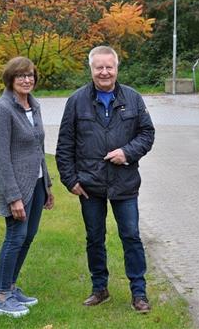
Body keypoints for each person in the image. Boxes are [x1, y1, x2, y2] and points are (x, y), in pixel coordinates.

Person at [56, 45, 155, 313]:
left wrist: (127, 152)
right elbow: (64, 145)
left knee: (131, 236)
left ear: (116, 68)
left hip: (124, 183)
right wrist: (70, 179)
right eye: (99, 67)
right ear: (91, 69)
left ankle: (139, 292)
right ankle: (100, 288)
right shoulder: (76, 101)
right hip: (90, 186)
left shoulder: (133, 99)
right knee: (94, 238)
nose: (104, 72)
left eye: (109, 67)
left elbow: (147, 134)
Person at [0, 56, 55, 317]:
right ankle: (1, 296)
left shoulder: (33, 106)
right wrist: (13, 197)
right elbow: (1, 158)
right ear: (10, 79)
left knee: (27, 237)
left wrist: (47, 186)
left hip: (37, 183)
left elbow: (39, 148)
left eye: (30, 75)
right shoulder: (3, 110)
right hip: (17, 187)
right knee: (15, 237)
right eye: (21, 75)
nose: (27, 79)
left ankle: (11, 286)